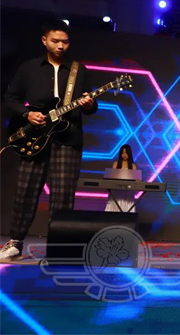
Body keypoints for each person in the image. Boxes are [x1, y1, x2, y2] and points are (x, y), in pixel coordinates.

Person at [1, 20, 97, 261]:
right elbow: (11, 97)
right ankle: (15, 244)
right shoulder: (30, 68)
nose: (61, 46)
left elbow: (90, 107)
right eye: (55, 41)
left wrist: (89, 104)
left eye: (65, 42)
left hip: (68, 138)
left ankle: (58, 248)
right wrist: (27, 114)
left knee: (63, 196)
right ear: (44, 40)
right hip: (35, 137)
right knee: (25, 191)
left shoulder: (79, 70)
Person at [105, 144, 138, 213]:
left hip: (128, 192)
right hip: (116, 191)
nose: (124, 155)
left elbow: (137, 181)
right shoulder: (116, 164)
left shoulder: (133, 166)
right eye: (122, 153)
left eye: (126, 153)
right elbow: (111, 177)